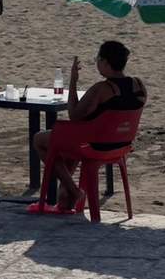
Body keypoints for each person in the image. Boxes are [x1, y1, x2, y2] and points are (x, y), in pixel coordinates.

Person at [29, 41, 146, 215]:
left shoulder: (102, 89)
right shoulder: (139, 85)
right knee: (71, 139)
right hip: (122, 145)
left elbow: (74, 114)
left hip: (94, 145)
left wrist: (73, 82)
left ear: (105, 62)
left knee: (39, 139)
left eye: (97, 59)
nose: (97, 63)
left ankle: (72, 189)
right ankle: (65, 195)